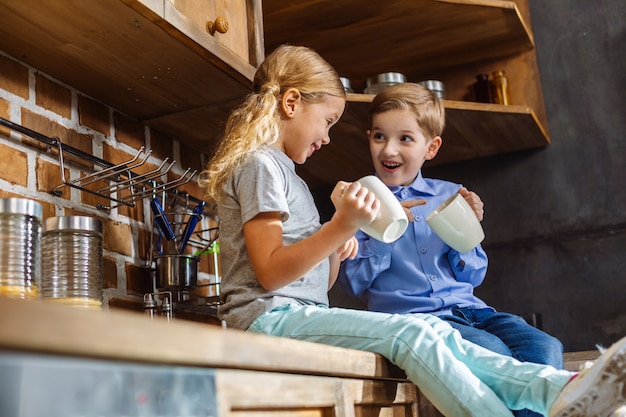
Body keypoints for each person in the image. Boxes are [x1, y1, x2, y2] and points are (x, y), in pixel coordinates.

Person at [199, 44, 626, 417]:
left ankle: (560, 390)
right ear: (291, 103)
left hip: (299, 314)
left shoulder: (291, 177)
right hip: (267, 319)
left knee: (433, 330)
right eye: (327, 121)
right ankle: (556, 392)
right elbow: (272, 275)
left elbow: (318, 285)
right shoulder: (259, 164)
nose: (327, 138)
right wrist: (341, 227)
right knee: (415, 331)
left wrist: (337, 243)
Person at [337, 82, 564, 417]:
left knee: (545, 347)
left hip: (473, 311)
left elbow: (474, 273)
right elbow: (353, 284)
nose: (389, 150)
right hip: (417, 322)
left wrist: (469, 230)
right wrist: (393, 230)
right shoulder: (359, 202)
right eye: (379, 137)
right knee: (491, 350)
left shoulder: (450, 195)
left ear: (431, 147)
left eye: (405, 138)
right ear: (368, 137)